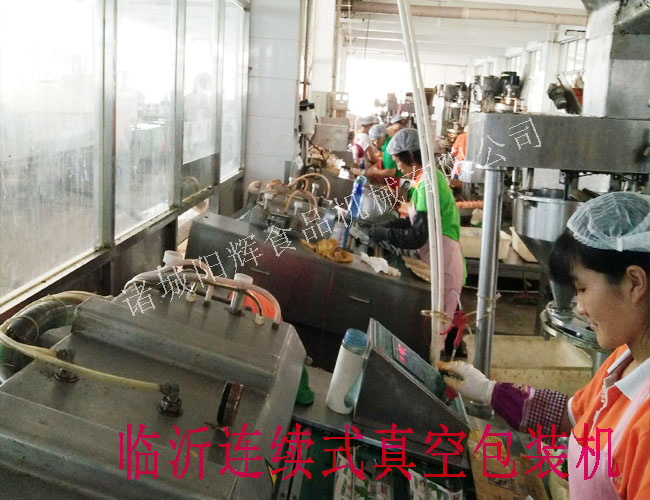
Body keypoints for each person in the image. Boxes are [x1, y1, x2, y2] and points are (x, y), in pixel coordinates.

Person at [439, 191, 650, 499]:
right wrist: (489, 391)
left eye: (582, 288)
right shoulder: (624, 359)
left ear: (634, 283)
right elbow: (571, 415)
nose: (579, 308)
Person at [368, 128, 464, 326]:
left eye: (398, 161)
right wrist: (390, 224)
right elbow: (416, 221)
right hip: (435, 257)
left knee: (438, 329)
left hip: (443, 264)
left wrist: (386, 233)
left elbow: (417, 235)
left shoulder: (429, 183)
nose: (398, 167)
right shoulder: (422, 180)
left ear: (411, 156)